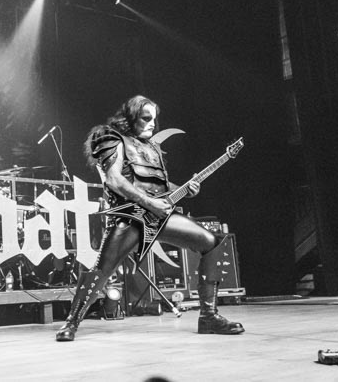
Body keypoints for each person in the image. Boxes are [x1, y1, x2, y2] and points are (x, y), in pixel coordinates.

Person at [55, 95, 244, 341]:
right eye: (146, 118)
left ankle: (209, 316)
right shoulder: (113, 138)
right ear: (131, 117)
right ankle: (71, 322)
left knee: (212, 242)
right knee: (101, 271)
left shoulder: (153, 149)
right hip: (129, 218)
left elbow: (159, 188)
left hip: (160, 216)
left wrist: (186, 188)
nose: (152, 123)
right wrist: (150, 203)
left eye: (154, 119)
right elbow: (114, 179)